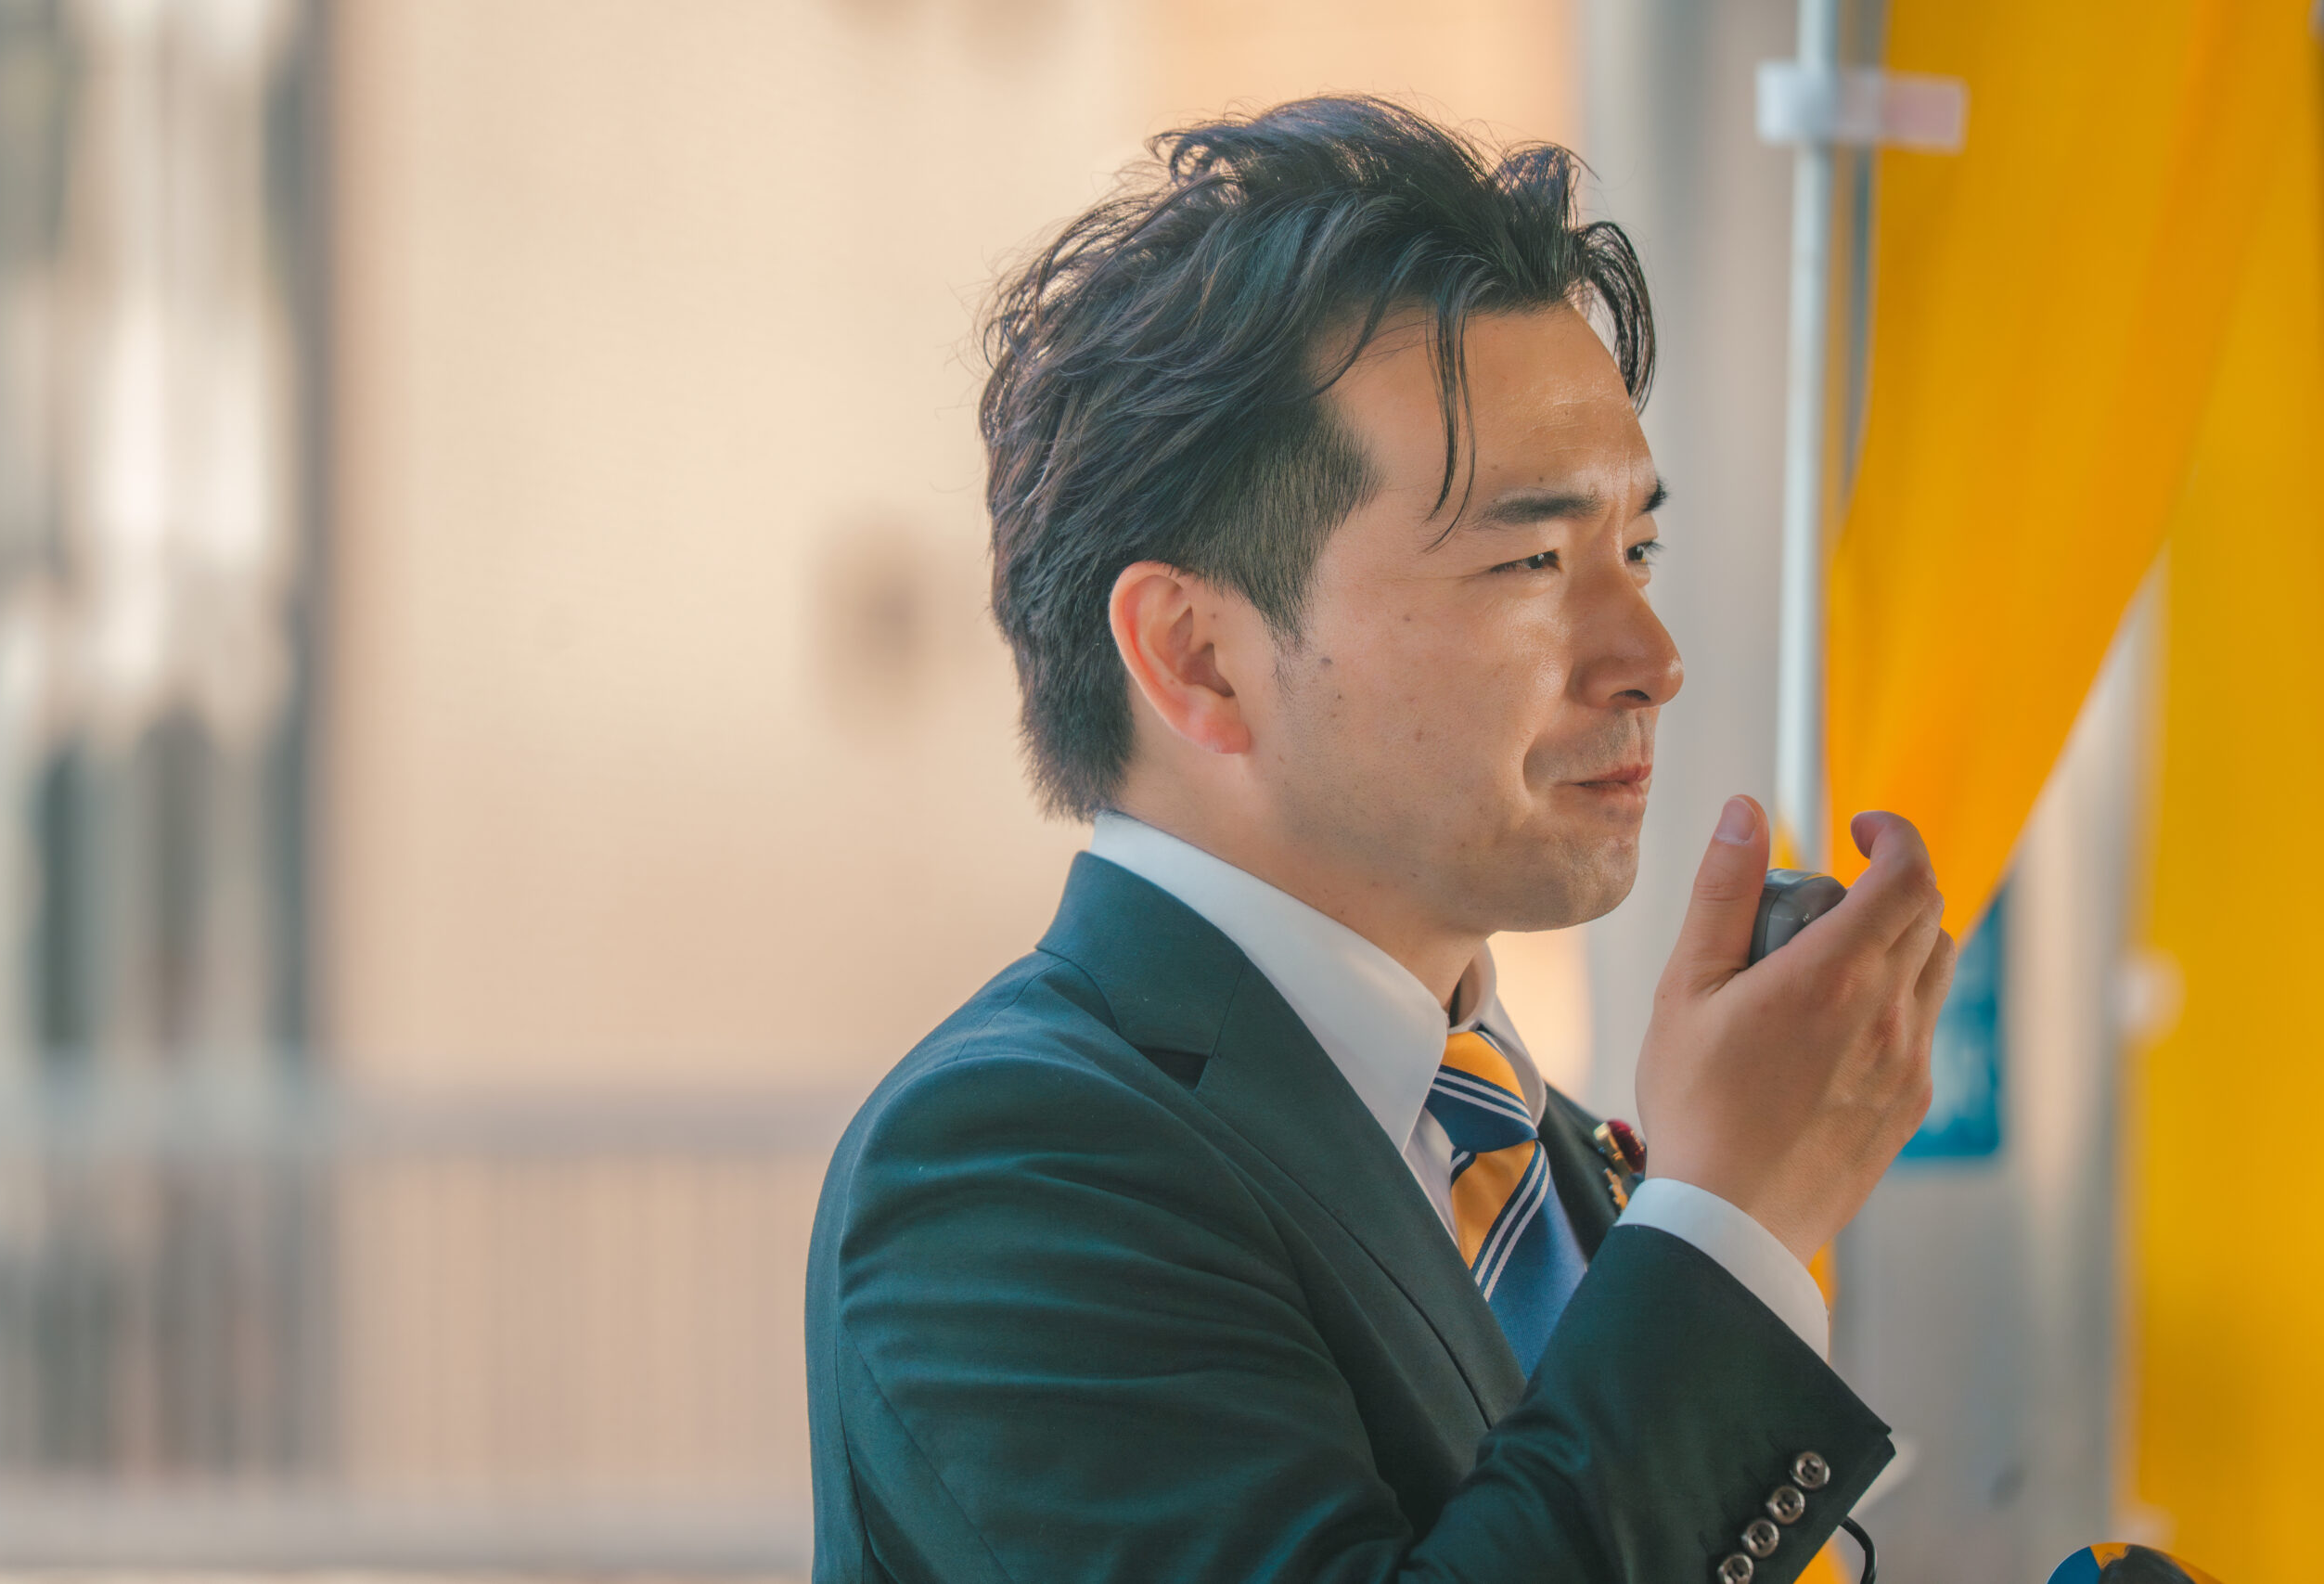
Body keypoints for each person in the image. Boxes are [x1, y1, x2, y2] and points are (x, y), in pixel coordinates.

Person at [805, 97, 1955, 1583]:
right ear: (1199, 656)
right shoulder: (1012, 1167)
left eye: (1637, 550)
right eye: (1530, 559)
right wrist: (1731, 1226)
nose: (1651, 659)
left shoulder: (1544, 1146)